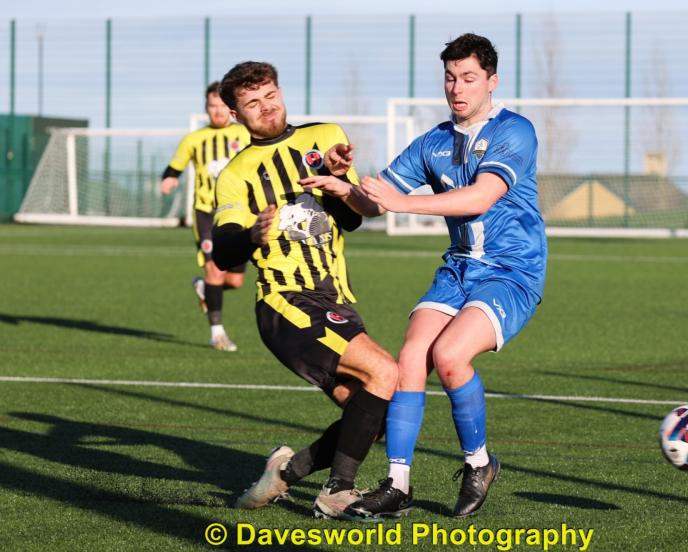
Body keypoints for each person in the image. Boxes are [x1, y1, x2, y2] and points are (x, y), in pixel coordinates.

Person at [302, 33, 547, 519]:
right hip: (458, 269)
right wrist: (341, 187)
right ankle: (398, 484)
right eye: (451, 78)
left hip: (511, 270)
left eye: (469, 78)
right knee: (411, 356)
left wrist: (401, 204)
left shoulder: (515, 132)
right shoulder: (432, 142)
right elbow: (375, 201)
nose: (458, 88)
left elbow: (479, 197)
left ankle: (479, 464)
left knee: (450, 355)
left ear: (492, 82)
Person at [211, 61, 399, 520]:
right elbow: (223, 252)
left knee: (374, 420)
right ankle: (338, 491)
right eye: (252, 103)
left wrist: (338, 184)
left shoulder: (323, 136)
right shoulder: (236, 174)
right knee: (385, 372)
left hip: (334, 300)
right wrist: (252, 235)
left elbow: (356, 217)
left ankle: (286, 473)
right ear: (237, 115)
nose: (265, 107)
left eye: (270, 94)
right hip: (285, 303)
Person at [160, 82, 250, 352]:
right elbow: (173, 167)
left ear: (231, 107)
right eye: (212, 106)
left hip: (239, 213)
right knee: (213, 269)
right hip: (206, 214)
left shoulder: (245, 134)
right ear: (206, 108)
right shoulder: (194, 139)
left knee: (234, 280)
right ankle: (217, 334)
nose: (217, 111)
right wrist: (168, 179)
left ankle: (204, 288)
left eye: (222, 105)